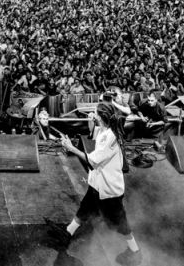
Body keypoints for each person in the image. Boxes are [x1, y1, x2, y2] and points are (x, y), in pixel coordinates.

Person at [50, 101, 143, 266]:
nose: (92, 114)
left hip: (109, 189)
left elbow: (92, 161)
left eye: (94, 112)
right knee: (84, 209)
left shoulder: (110, 137)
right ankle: (67, 234)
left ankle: (135, 252)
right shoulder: (105, 130)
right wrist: (91, 121)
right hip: (97, 184)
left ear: (101, 116)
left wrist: (71, 148)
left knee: (120, 222)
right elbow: (94, 134)